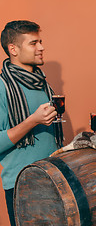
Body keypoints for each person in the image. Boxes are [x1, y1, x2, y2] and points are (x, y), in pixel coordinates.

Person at [0, 20, 59, 226]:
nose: (41, 47)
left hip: (54, 178)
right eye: (33, 43)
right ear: (13, 49)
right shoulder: (2, 87)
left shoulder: (43, 83)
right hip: (22, 184)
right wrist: (33, 121)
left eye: (40, 41)